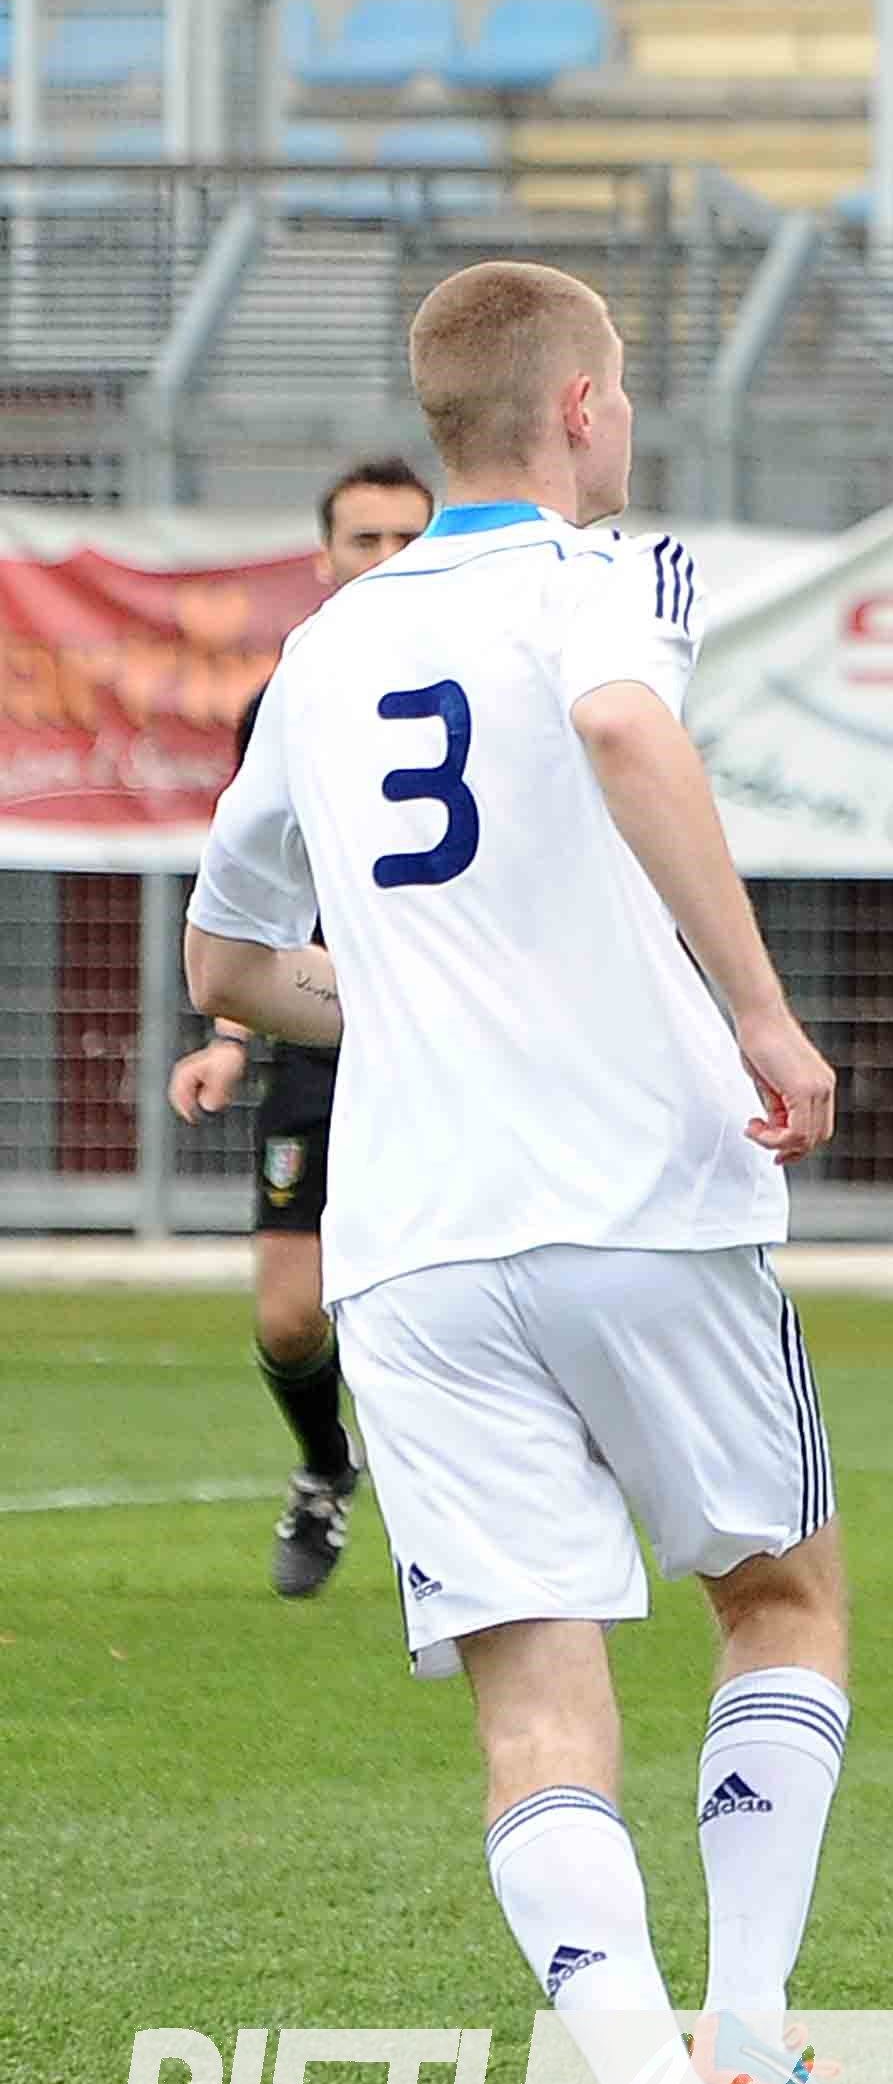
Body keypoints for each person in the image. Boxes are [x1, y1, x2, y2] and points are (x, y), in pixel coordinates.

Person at [181, 262, 854, 2084]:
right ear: (577, 410)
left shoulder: (323, 648)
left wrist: (389, 1001)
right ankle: (746, 2055)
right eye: (620, 390)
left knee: (535, 1711)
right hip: (643, 1193)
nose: (626, 420)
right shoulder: (613, 574)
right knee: (782, 1598)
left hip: (413, 1243)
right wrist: (761, 1011)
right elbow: (625, 724)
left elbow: (227, 962)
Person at [168, 454, 435, 1598]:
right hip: (324, 1032)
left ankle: (467, 1525)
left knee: (442, 1305)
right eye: (363, 540)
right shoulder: (294, 696)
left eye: (406, 538)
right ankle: (326, 1469)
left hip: (455, 1043)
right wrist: (230, 1036)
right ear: (324, 558)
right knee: (288, 1321)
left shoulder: (495, 678)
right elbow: (252, 886)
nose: (385, 559)